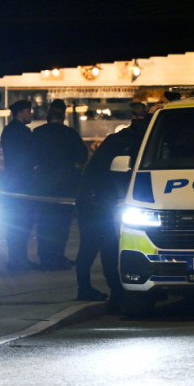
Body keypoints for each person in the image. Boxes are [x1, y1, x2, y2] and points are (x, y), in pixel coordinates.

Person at [75, 101, 149, 310]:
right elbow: (125, 175)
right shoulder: (133, 143)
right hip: (96, 198)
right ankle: (112, 291)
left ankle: (104, 289)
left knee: (97, 244)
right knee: (102, 244)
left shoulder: (118, 140)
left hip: (94, 196)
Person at [32, 99, 88, 270]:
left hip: (44, 186)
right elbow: (82, 156)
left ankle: (45, 258)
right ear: (64, 115)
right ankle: (58, 256)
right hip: (66, 186)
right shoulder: (70, 134)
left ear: (49, 113)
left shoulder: (38, 133)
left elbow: (29, 156)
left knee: (44, 224)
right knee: (62, 224)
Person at [0, 99, 40, 271]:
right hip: (23, 182)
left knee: (14, 222)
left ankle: (15, 260)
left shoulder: (7, 131)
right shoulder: (24, 132)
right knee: (24, 222)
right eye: (28, 111)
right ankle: (20, 260)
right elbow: (31, 155)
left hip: (11, 181)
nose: (31, 114)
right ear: (20, 113)